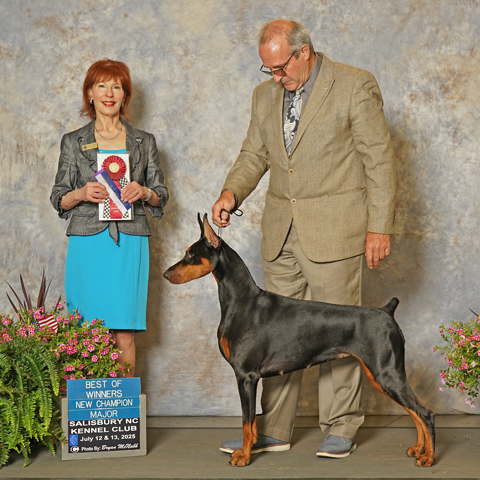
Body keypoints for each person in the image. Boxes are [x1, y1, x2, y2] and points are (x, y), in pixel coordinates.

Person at [212, 20, 396, 458]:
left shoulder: (354, 85)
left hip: (336, 230)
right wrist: (230, 192)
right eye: (268, 69)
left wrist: (380, 226)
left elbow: (379, 159)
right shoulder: (264, 96)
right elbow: (254, 154)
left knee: (341, 331)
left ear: (304, 52)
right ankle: (275, 428)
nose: (276, 77)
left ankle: (341, 425)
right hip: (280, 234)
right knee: (273, 335)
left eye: (281, 67)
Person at [51, 59, 168, 377]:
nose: (109, 93)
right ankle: (88, 405)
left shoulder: (145, 141)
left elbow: (161, 196)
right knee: (84, 331)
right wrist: (81, 193)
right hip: (87, 242)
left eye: (116, 86)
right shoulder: (73, 141)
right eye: (101, 86)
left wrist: (144, 191)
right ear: (89, 93)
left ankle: (122, 406)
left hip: (129, 241)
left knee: (124, 330)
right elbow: (58, 198)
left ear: (125, 95)